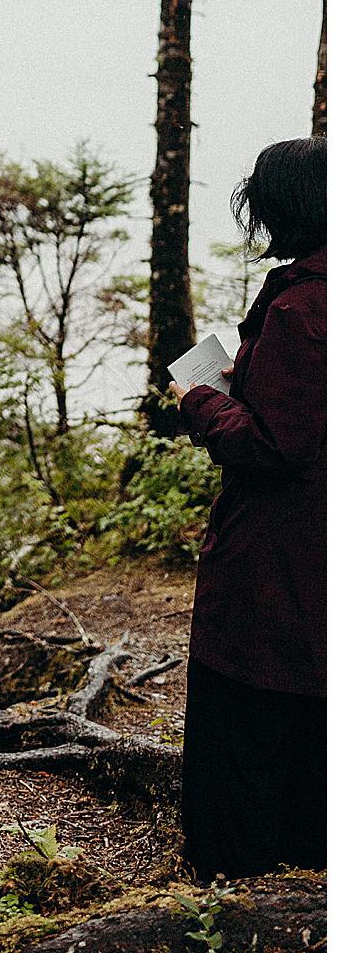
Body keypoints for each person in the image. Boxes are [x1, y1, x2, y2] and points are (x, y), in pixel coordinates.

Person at [172, 136, 326, 882]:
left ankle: (235, 900)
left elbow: (274, 446)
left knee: (247, 729)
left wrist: (201, 396)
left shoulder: (305, 308)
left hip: (277, 564)